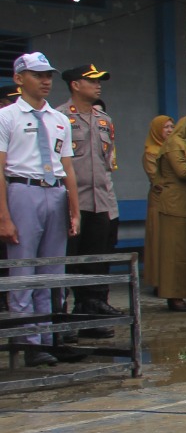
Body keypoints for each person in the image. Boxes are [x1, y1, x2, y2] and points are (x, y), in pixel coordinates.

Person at [0, 52, 82, 366]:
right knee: (23, 269)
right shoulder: (7, 117)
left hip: (55, 192)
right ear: (19, 79)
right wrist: (4, 215)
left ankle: (49, 337)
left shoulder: (59, 119)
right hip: (23, 189)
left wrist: (74, 209)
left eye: (48, 75)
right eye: (37, 75)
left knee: (52, 270)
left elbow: (68, 167)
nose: (45, 81)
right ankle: (28, 341)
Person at [57, 64, 121, 327]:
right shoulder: (58, 117)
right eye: (92, 81)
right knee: (69, 263)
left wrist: (111, 205)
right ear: (75, 85)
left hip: (100, 202)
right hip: (71, 202)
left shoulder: (105, 119)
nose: (98, 85)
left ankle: (92, 317)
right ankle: (64, 319)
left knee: (97, 261)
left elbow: (108, 164)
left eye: (100, 81)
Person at [156, 114, 186, 309]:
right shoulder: (174, 143)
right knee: (175, 253)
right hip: (175, 205)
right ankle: (174, 295)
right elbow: (182, 172)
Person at [141, 114, 174, 294]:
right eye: (166, 127)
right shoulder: (151, 152)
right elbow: (156, 179)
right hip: (159, 200)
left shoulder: (173, 149)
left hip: (173, 200)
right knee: (158, 239)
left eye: (171, 126)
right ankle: (158, 281)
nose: (170, 130)